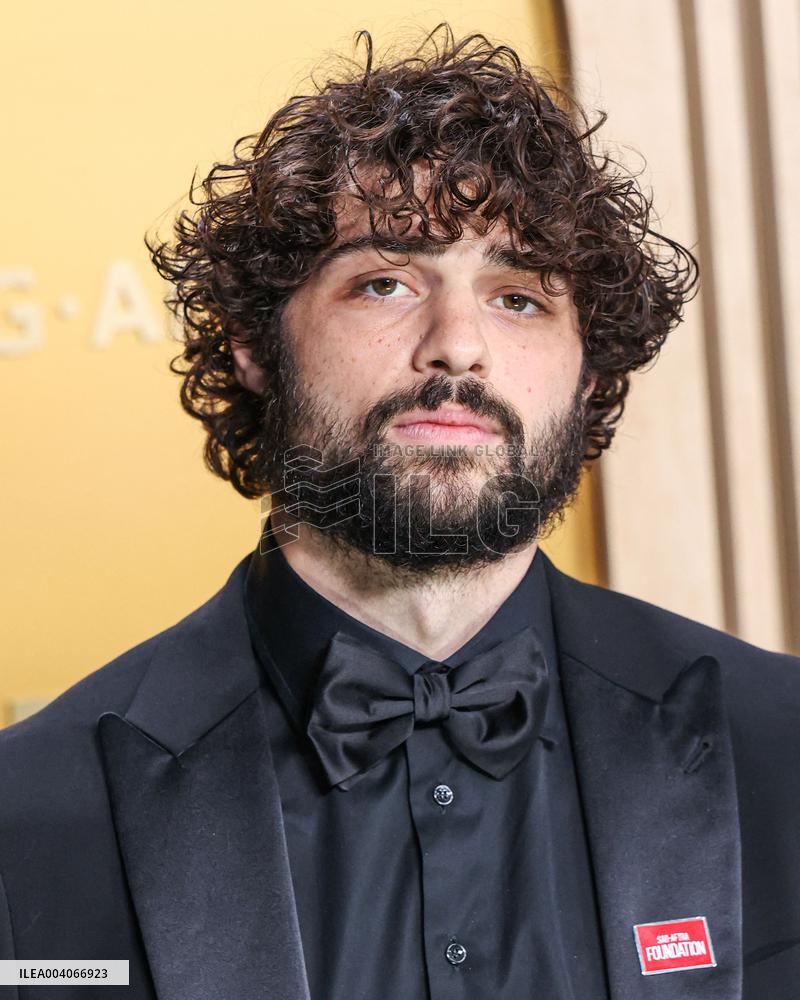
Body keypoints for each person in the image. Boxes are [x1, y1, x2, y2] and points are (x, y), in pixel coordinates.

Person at [1, 26, 798, 1000]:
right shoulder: (27, 812)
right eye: (384, 281)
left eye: (517, 298)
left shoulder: (785, 745)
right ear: (256, 343)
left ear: (588, 373)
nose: (456, 347)